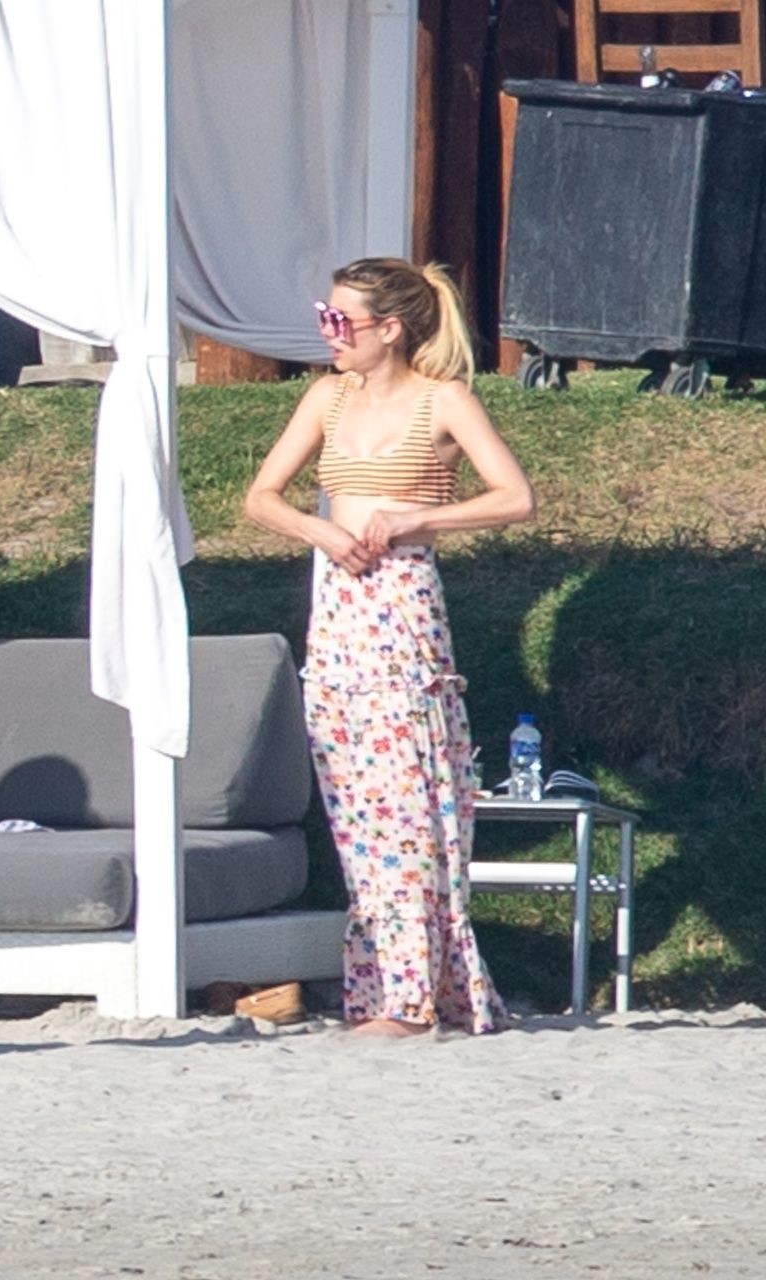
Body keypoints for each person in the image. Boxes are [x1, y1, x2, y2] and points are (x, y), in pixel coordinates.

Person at [243, 258, 535, 1036]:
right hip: (338, 615)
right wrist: (321, 531)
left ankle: (413, 998)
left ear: (392, 329)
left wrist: (419, 518)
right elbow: (261, 497)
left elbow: (515, 497)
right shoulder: (326, 397)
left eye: (342, 321)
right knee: (356, 809)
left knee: (407, 803)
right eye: (325, 317)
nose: (329, 334)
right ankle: (383, 990)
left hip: (402, 609)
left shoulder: (445, 401)